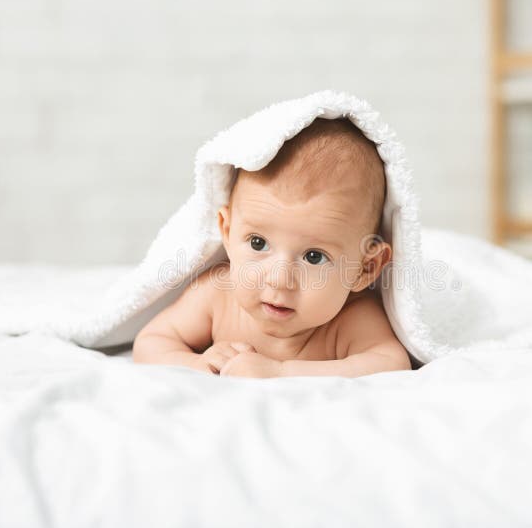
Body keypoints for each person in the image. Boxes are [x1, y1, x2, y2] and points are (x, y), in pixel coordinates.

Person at [133, 118, 411, 377]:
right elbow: (152, 340)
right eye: (258, 242)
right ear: (227, 232)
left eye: (313, 257)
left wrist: (281, 372)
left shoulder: (351, 319)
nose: (279, 278)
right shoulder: (217, 295)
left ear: (365, 268)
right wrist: (195, 363)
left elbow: (391, 363)